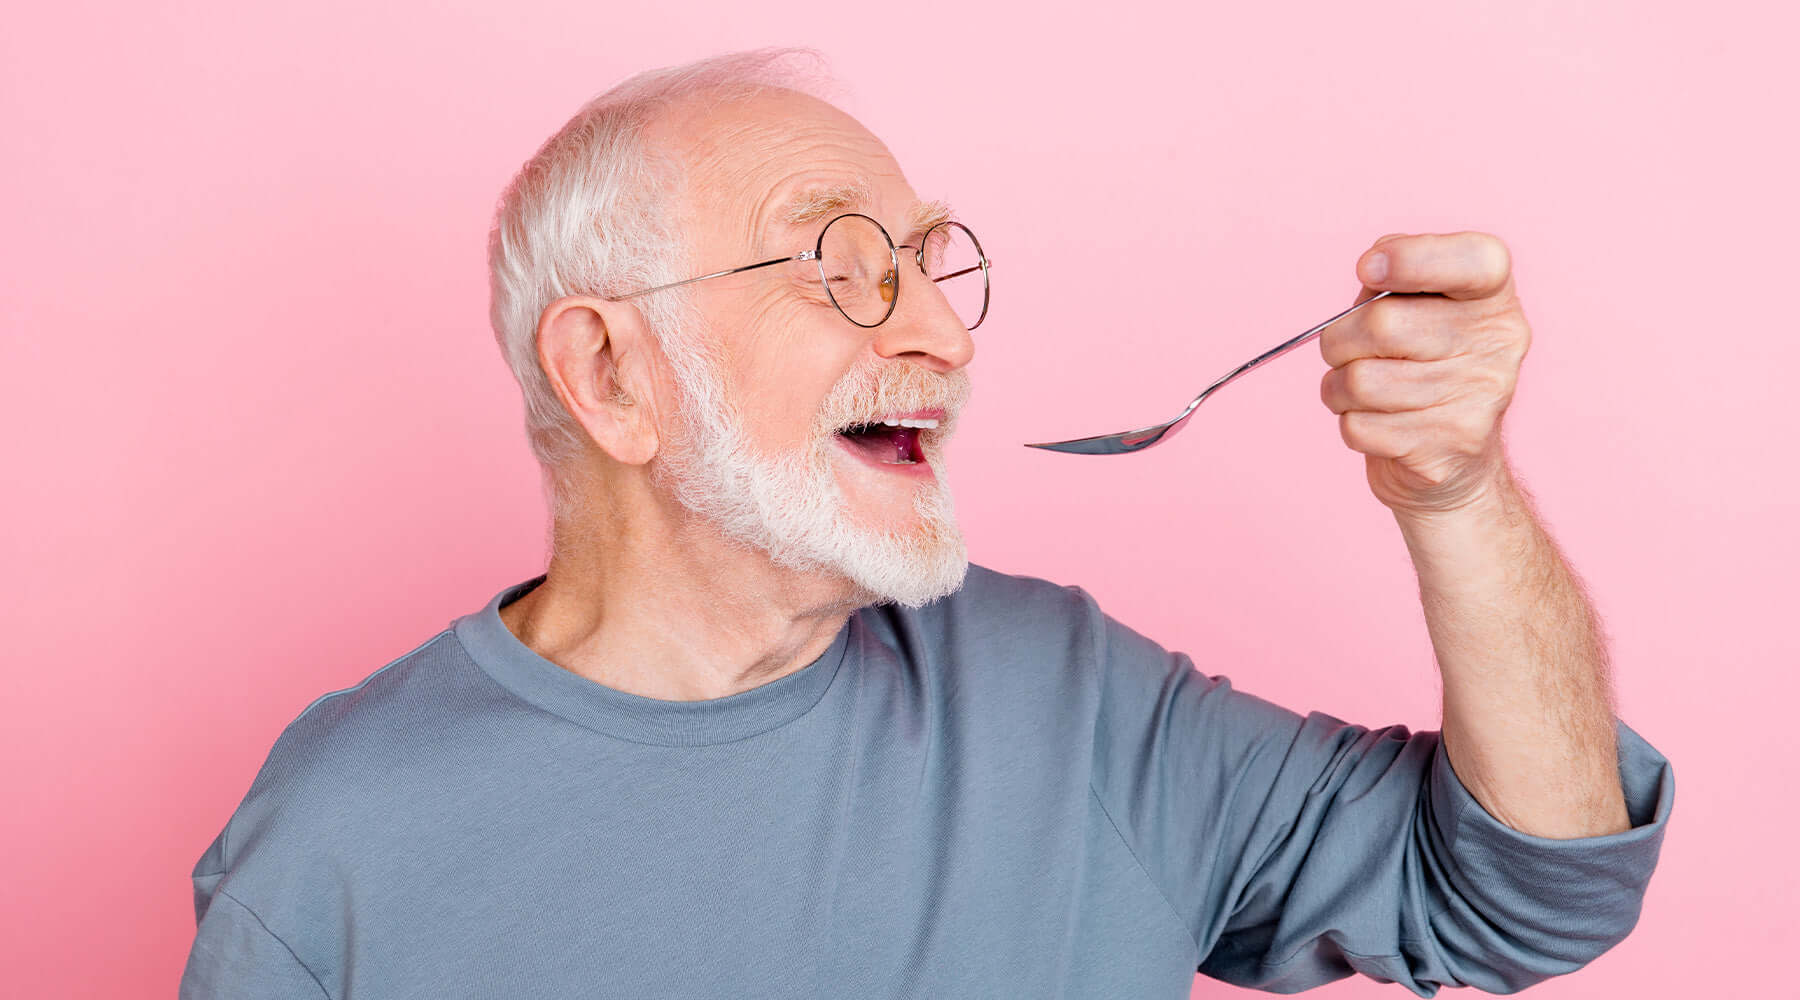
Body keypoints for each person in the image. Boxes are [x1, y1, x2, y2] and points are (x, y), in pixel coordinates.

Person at [179, 49, 1673, 998]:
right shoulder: (339, 851)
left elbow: (1526, 894)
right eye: (842, 264)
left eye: (931, 266)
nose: (947, 346)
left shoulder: (1070, 701)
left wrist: (1458, 495)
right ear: (612, 374)